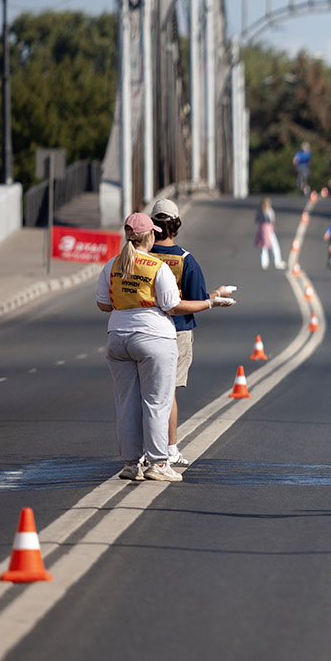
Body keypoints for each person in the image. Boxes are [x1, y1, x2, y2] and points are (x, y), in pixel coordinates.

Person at [97, 213, 234, 482]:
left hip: (117, 337)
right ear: (150, 236)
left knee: (127, 404)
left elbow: (103, 304)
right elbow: (173, 306)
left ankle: (130, 464)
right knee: (157, 403)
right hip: (154, 339)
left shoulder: (112, 265)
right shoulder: (156, 266)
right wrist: (211, 303)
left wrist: (129, 301)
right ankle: (159, 464)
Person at [149, 198, 220, 467]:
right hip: (176, 332)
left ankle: (145, 450)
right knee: (168, 395)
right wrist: (214, 298)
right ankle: (169, 449)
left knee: (146, 394)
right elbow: (194, 300)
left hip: (144, 328)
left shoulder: (141, 256)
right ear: (176, 225)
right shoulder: (185, 260)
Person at [255, 197, 287, 270]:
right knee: (275, 245)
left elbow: (256, 219)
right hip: (268, 229)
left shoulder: (259, 210)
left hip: (261, 228)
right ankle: (277, 262)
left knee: (263, 247)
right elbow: (271, 219)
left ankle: (264, 263)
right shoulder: (269, 210)